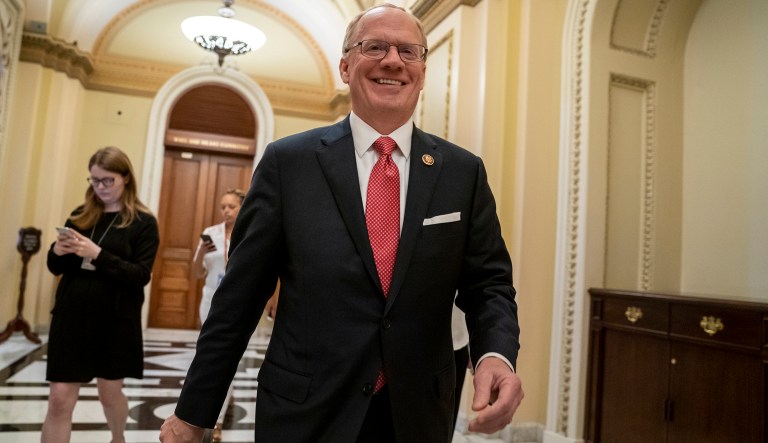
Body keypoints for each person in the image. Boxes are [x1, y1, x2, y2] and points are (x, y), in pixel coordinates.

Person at [160, 4, 523, 442]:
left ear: (423, 71)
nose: (393, 61)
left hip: (417, 417)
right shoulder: (287, 164)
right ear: (346, 67)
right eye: (375, 47)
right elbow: (239, 299)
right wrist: (194, 413)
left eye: (409, 51)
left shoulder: (462, 173)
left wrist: (496, 355)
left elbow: (489, 285)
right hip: (306, 415)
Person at [43, 146, 160, 443]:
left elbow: (140, 275)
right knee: (59, 399)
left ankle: (118, 438)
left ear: (126, 178)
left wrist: (97, 254)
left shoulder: (143, 223)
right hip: (72, 317)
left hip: (115, 320)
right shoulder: (80, 216)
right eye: (94, 180)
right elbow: (56, 267)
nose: (100, 187)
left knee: (109, 394)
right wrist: (57, 251)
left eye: (108, 180)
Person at [190, 188, 245, 441]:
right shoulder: (210, 233)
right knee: (210, 355)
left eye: (231, 207)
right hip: (210, 300)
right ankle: (214, 409)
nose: (226, 211)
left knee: (227, 357)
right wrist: (201, 251)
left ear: (242, 207)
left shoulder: (249, 231)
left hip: (237, 302)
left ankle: (218, 421)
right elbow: (196, 273)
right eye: (223, 207)